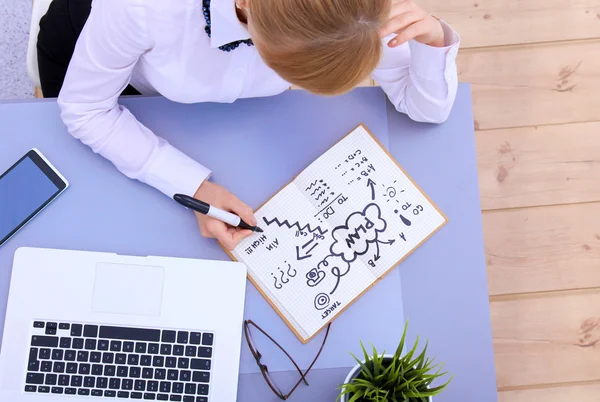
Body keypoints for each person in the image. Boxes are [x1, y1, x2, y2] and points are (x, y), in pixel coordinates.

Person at [37, 0, 460, 249]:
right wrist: (192, 185)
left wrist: (432, 43)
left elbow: (427, 109)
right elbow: (86, 109)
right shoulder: (145, 8)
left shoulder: (350, 14)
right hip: (101, 61)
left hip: (216, 120)